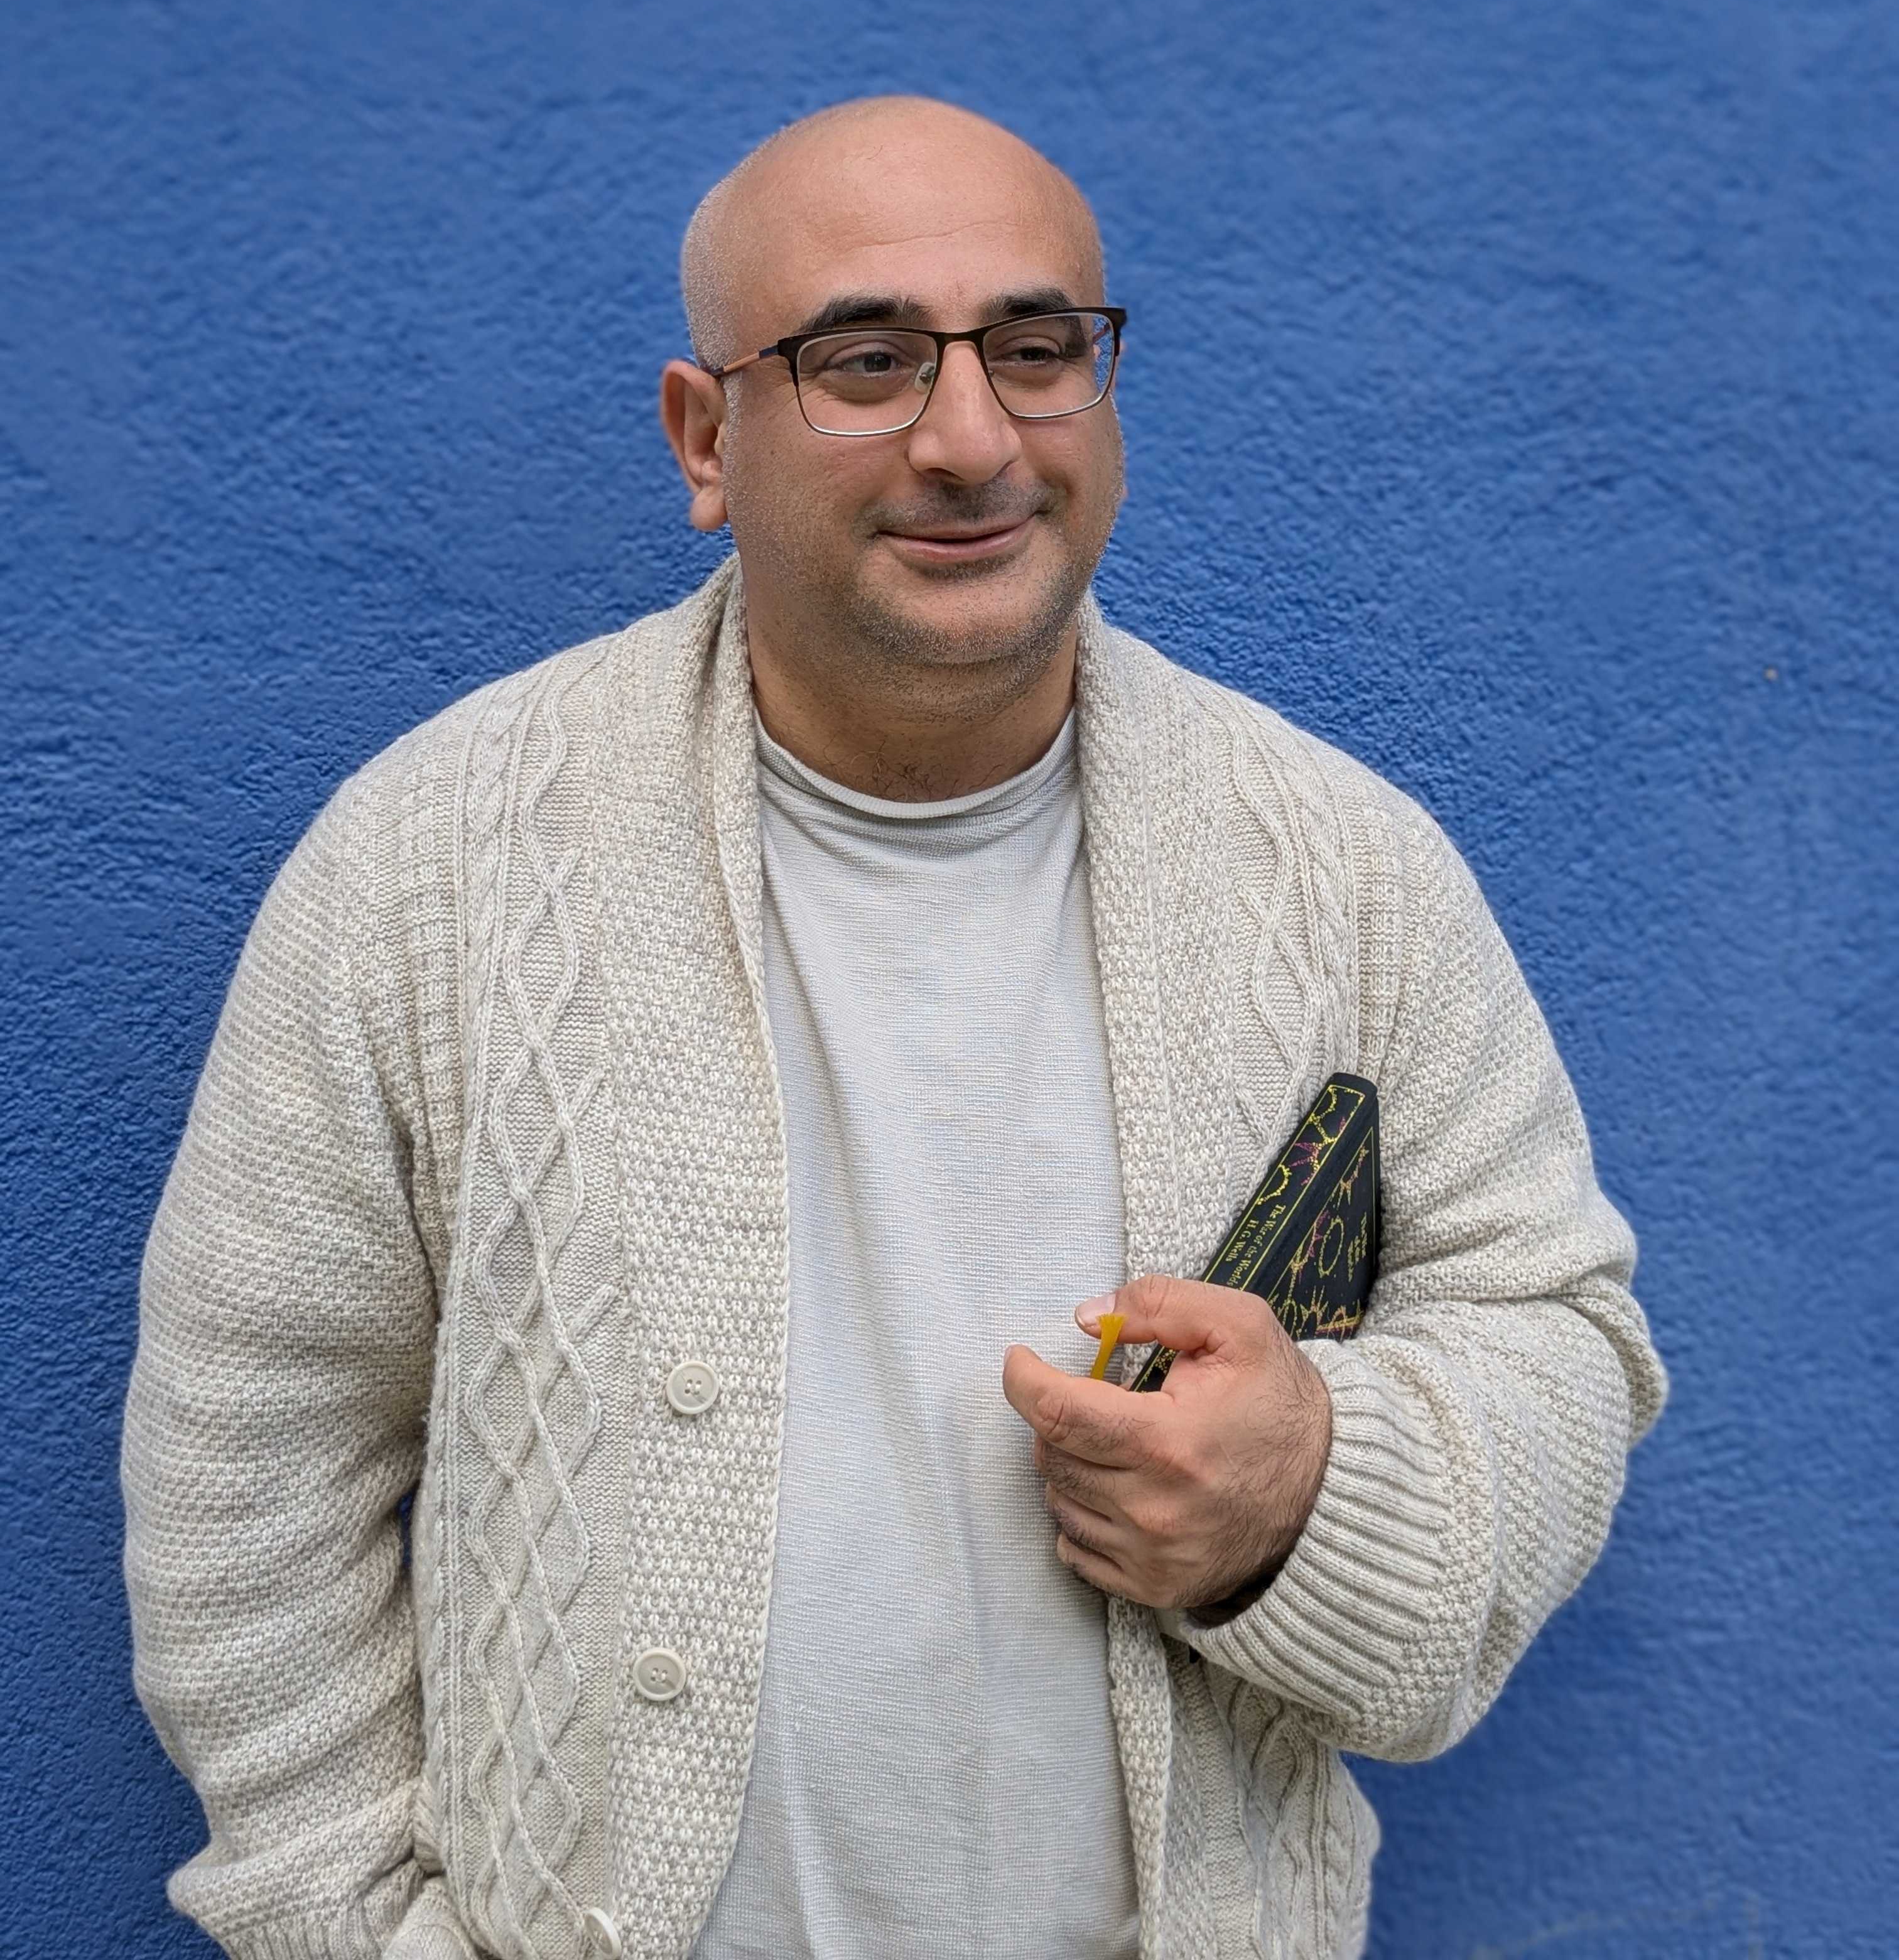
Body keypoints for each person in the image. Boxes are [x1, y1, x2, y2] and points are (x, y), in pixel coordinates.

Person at [123, 95, 1665, 1960]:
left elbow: (1557, 1333)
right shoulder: (430, 868)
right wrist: (359, 1928)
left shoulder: (1345, 873)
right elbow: (247, 1459)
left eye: (1037, 350)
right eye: (866, 362)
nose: (970, 438)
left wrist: (1306, 1491)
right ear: (708, 439)